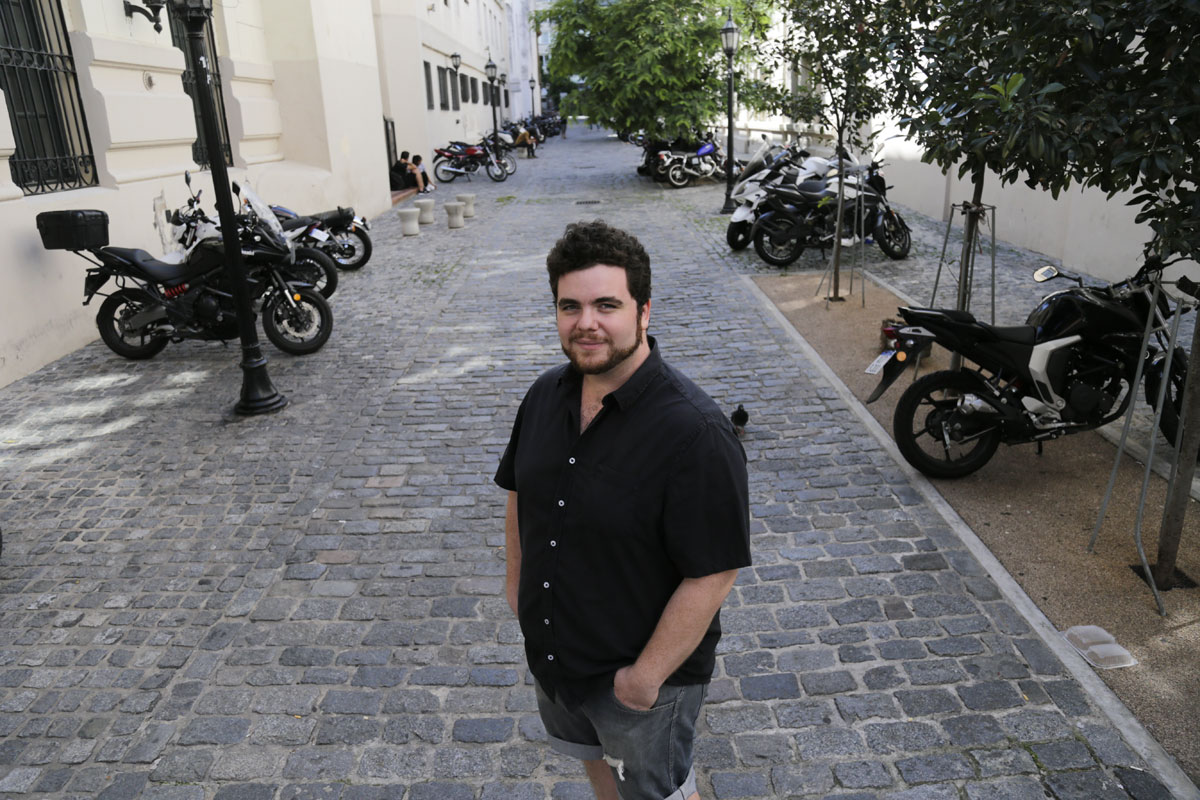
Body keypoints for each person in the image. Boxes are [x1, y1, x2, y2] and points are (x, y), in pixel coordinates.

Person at [495, 221, 751, 800]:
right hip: (557, 661)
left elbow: (714, 572)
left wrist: (643, 680)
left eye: (606, 305)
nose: (586, 322)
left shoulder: (696, 433)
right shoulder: (544, 397)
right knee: (595, 769)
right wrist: (517, 589)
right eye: (570, 306)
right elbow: (520, 492)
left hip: (639, 686)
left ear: (643, 312)